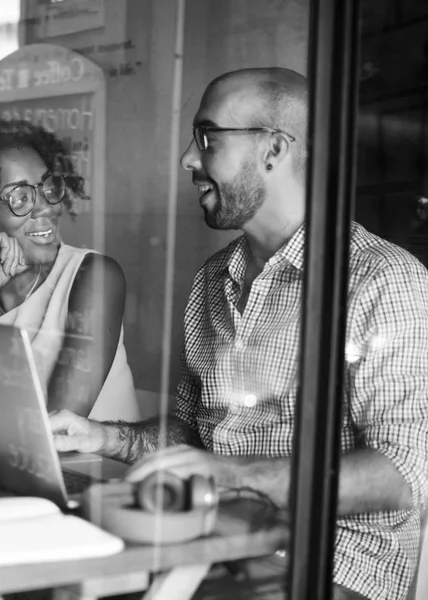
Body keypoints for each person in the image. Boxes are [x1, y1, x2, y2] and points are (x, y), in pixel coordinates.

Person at [49, 68, 428, 600]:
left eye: (207, 138)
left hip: (326, 570)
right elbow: (193, 435)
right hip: (213, 549)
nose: (188, 158)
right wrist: (104, 438)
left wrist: (231, 474)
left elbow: (404, 474)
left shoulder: (383, 280)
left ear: (273, 149)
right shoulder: (212, 278)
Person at [0, 118, 139, 421]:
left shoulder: (93, 276)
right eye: (20, 197)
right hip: (4, 465)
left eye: (47, 186)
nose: (45, 206)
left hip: (91, 469)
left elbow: (57, 429)